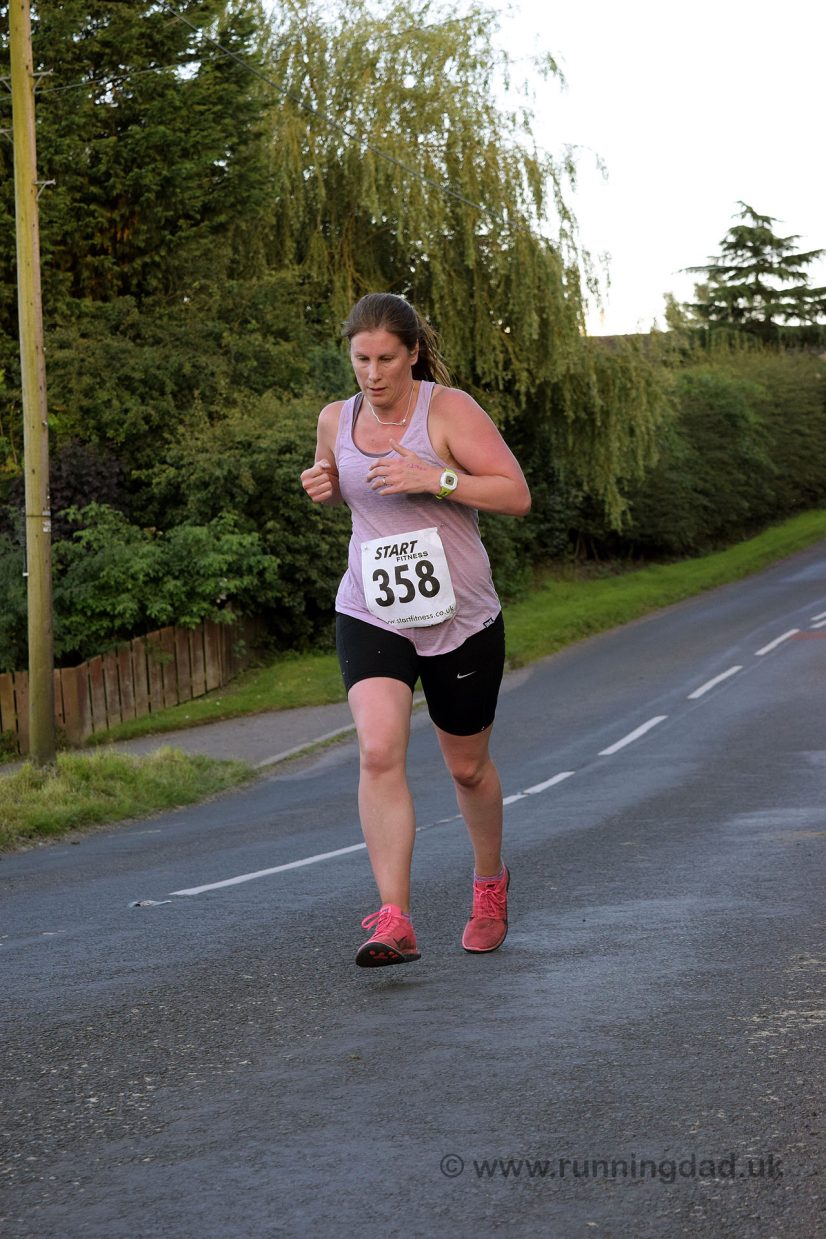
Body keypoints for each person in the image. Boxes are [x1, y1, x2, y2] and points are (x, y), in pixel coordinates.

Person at [300, 293, 530, 967]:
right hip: (371, 607)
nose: (372, 374)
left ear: (412, 355)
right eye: (360, 359)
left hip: (458, 616)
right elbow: (341, 484)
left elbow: (515, 494)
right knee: (377, 750)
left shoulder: (450, 410)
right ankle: (394, 916)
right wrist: (322, 483)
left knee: (465, 768)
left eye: (386, 359)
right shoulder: (334, 417)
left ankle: (489, 883)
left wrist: (438, 476)